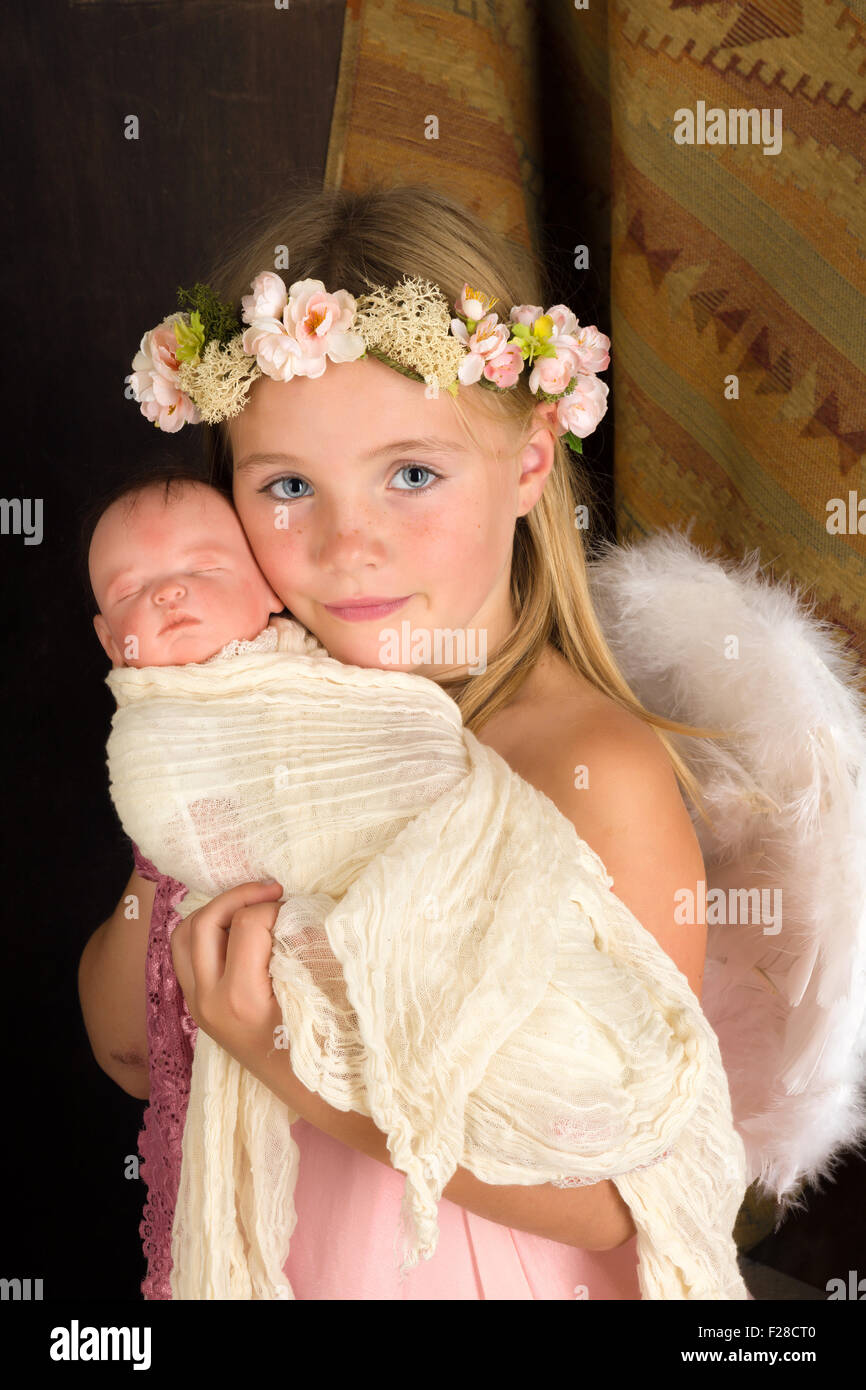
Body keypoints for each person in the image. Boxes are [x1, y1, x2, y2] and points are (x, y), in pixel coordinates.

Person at [79, 182, 735, 1301]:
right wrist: (171, 804)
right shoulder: (275, 727)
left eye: (412, 474)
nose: (347, 544)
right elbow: (128, 1047)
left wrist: (282, 1052)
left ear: (530, 461)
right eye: (287, 486)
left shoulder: (590, 770)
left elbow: (621, 1187)